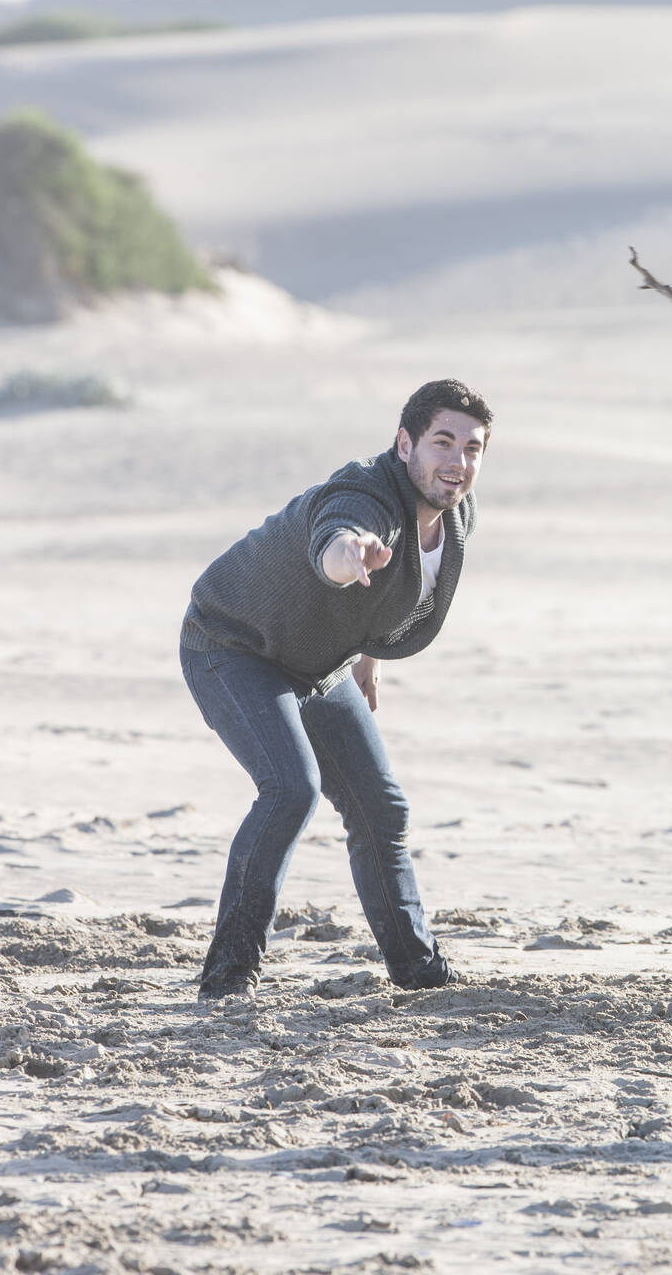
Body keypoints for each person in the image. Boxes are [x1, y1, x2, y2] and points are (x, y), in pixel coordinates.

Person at [179, 379, 493, 1000]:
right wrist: (349, 558)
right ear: (404, 444)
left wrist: (369, 655)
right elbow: (339, 534)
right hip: (231, 644)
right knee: (290, 790)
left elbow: (404, 586)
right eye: (442, 442)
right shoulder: (365, 492)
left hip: (318, 662)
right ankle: (228, 975)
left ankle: (418, 972)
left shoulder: (455, 515)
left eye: (473, 447)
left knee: (382, 810)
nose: (457, 461)